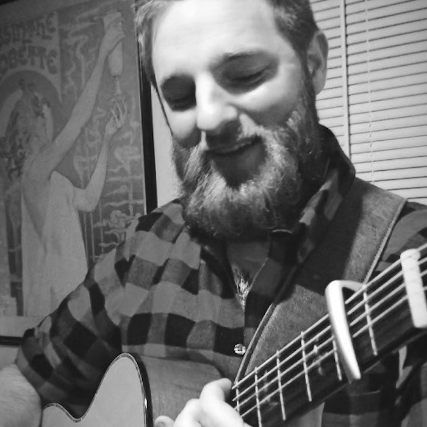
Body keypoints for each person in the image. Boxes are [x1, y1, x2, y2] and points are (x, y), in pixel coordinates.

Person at [0, 0, 426, 426]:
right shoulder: (145, 247)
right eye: (179, 96)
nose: (208, 117)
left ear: (312, 64)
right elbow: (26, 379)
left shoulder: (407, 256)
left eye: (244, 76)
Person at [19, 18, 126, 316]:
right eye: (43, 117)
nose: (49, 124)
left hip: (74, 298)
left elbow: (89, 200)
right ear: (31, 125)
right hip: (54, 307)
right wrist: (102, 54)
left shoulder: (54, 179)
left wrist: (106, 140)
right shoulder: (34, 174)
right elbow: (78, 121)